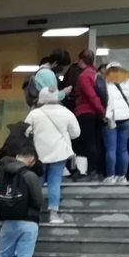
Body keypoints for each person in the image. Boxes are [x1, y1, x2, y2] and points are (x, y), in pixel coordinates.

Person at [25, 88, 80, 224]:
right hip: (59, 153)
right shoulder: (66, 112)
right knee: (54, 183)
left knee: (37, 183)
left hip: (39, 154)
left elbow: (25, 132)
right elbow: (76, 133)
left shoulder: (34, 114)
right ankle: (53, 215)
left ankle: (33, 213)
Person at [103, 64, 129, 183]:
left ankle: (111, 176)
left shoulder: (106, 80)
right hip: (126, 117)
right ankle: (122, 176)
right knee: (123, 149)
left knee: (111, 149)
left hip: (111, 117)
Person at [70, 50, 107, 180]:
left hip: (85, 113)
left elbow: (91, 96)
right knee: (97, 142)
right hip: (96, 114)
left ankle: (91, 171)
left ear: (81, 60)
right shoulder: (95, 74)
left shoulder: (84, 76)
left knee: (88, 143)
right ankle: (98, 171)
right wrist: (102, 111)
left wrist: (101, 110)